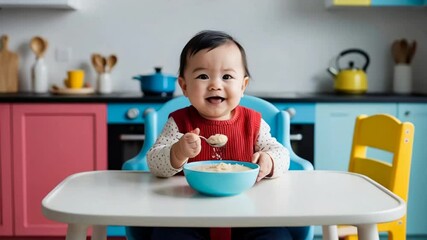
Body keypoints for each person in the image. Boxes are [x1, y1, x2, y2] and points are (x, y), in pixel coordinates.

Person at [145, 30, 292, 240]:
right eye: (203, 76)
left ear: (243, 86)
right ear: (184, 86)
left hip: (249, 213)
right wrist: (177, 152)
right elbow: (154, 162)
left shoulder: (254, 123)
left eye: (227, 76)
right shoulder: (179, 123)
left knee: (276, 235)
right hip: (186, 214)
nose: (215, 84)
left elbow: (281, 153)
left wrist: (269, 161)